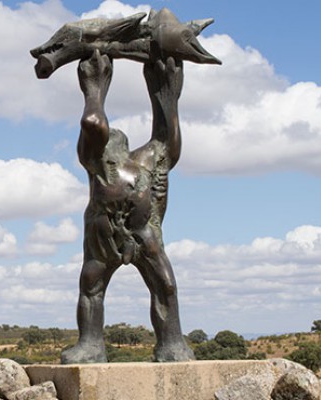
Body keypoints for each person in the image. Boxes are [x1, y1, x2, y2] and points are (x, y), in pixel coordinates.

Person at [60, 49, 195, 364]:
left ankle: (171, 344)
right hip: (104, 236)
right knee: (93, 286)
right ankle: (91, 344)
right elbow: (93, 122)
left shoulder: (145, 162)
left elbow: (167, 138)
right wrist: (95, 87)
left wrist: (165, 90)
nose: (109, 134)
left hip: (143, 234)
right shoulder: (97, 162)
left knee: (165, 287)